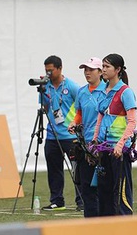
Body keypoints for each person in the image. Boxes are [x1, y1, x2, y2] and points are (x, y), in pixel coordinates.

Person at [91, 53, 137, 216]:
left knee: (121, 192)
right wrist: (94, 141)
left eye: (107, 66)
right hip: (104, 149)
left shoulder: (126, 92)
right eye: (103, 66)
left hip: (119, 151)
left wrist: (120, 144)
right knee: (104, 191)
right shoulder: (103, 90)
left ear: (117, 70)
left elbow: (132, 122)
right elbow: (100, 118)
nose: (103, 70)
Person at [39, 55, 83, 211]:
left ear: (59, 68)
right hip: (52, 135)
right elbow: (44, 107)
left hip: (70, 136)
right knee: (54, 170)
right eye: (46, 70)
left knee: (77, 169)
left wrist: (77, 126)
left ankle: (82, 200)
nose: (48, 74)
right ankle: (57, 200)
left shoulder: (71, 86)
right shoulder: (46, 86)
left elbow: (81, 106)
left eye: (50, 70)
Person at [68, 57, 106, 217]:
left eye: (91, 69)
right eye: (85, 70)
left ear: (100, 72)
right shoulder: (82, 92)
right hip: (85, 146)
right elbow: (79, 114)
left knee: (103, 186)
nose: (87, 73)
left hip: (103, 144)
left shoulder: (108, 90)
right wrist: (73, 123)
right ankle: (90, 223)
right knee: (86, 186)